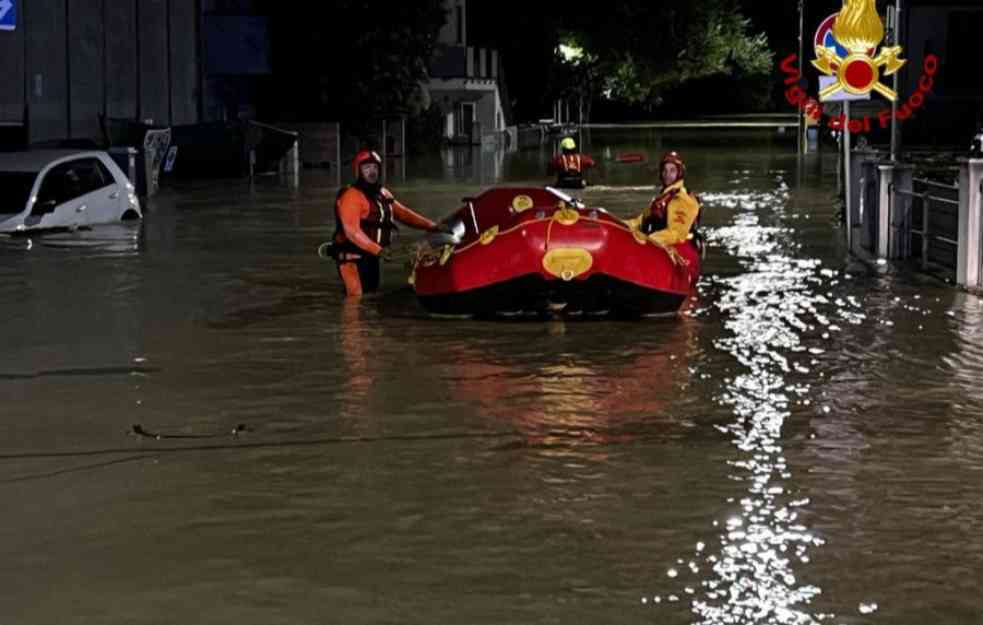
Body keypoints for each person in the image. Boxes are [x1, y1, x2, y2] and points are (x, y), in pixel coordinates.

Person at [327, 149, 444, 296]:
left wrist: (432, 226)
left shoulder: (383, 194)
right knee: (355, 300)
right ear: (358, 171)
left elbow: (404, 214)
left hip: (372, 257)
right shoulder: (351, 197)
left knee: (370, 296)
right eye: (367, 168)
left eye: (375, 167)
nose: (372, 172)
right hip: (352, 258)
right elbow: (352, 232)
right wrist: (379, 251)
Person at [625, 151, 702, 252]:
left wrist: (647, 241)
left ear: (679, 172)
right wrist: (618, 224)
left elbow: (676, 234)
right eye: (665, 170)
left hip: (679, 250)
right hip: (658, 242)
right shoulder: (662, 198)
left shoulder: (682, 199)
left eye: (672, 170)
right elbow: (639, 222)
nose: (667, 174)